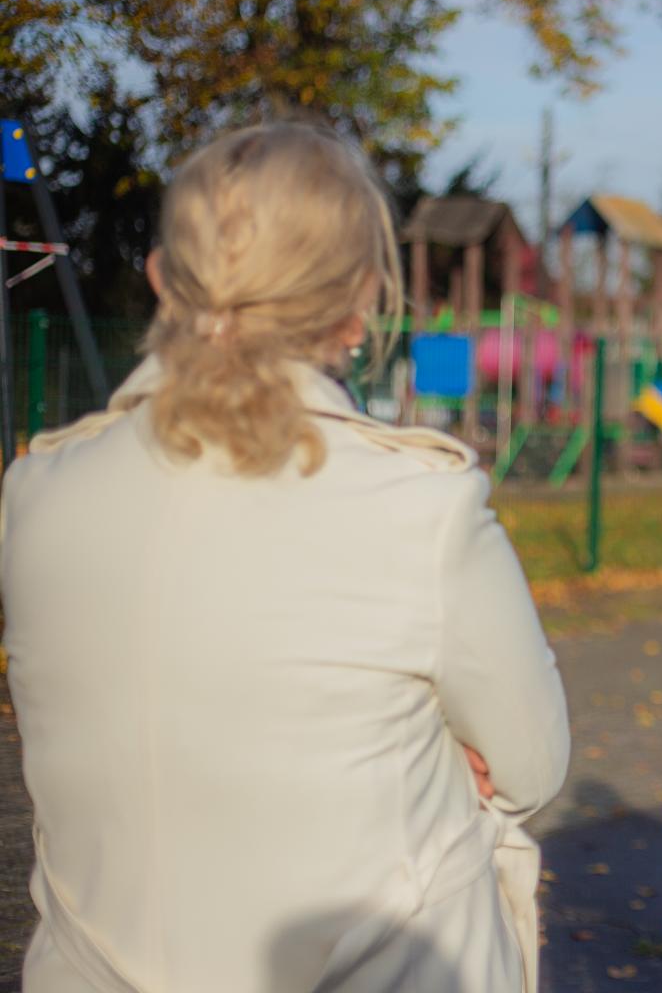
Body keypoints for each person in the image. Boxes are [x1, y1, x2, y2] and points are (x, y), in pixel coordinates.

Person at [0, 122, 570, 991]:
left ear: (161, 277)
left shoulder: (37, 493)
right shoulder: (420, 505)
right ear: (359, 302)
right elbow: (530, 768)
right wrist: (434, 753)